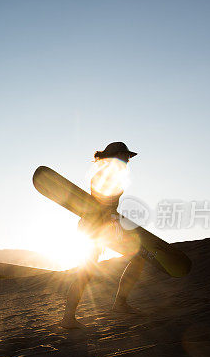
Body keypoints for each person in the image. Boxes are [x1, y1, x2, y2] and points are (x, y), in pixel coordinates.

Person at [59, 141, 145, 329]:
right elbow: (100, 202)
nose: (128, 159)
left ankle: (120, 304)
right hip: (94, 226)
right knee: (87, 271)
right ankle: (68, 318)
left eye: (128, 157)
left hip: (105, 226)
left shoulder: (114, 174)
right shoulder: (104, 175)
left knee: (138, 257)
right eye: (125, 155)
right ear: (115, 156)